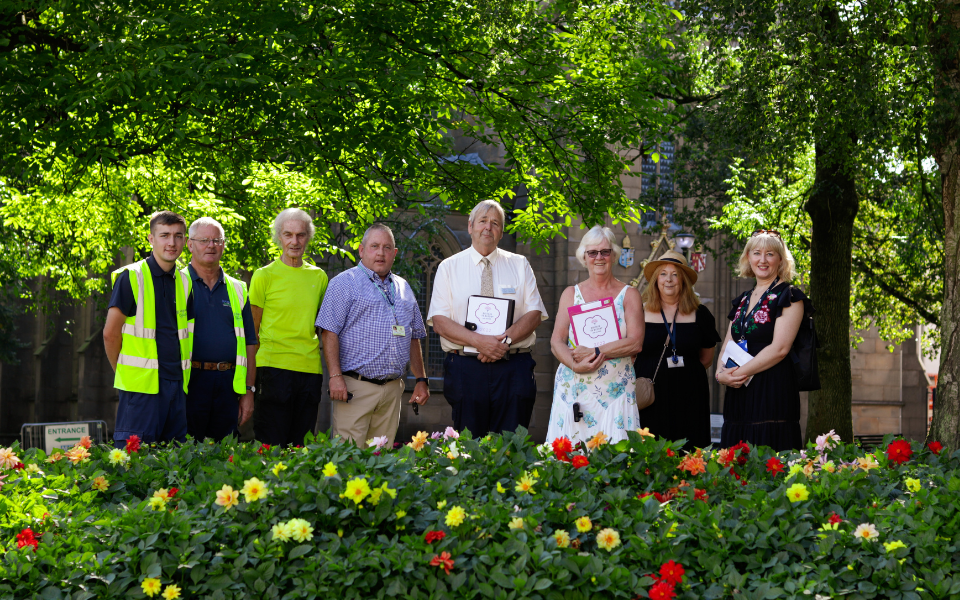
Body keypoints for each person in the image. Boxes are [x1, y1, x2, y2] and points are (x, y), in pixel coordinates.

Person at [427, 200, 548, 436]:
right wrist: (479, 342)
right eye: (482, 221)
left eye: (495, 223)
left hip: (513, 368)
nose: (488, 228)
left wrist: (502, 343)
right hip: (466, 370)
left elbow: (534, 314)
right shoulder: (448, 267)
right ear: (470, 226)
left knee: (512, 448)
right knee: (468, 448)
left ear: (502, 231)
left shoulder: (520, 265)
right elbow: (440, 321)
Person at [316, 224, 430, 447]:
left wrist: (421, 380)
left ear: (394, 254)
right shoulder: (343, 283)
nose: (380, 253)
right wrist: (335, 376)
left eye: (387, 248)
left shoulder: (404, 288)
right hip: (355, 389)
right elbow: (329, 332)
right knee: (348, 459)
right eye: (374, 246)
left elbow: (413, 337)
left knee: (382, 461)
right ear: (361, 250)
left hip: (391, 390)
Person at [103, 211, 195, 448]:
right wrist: (123, 371)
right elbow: (110, 334)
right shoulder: (131, 277)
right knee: (135, 465)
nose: (171, 242)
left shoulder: (185, 282)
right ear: (151, 239)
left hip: (177, 386)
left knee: (174, 465)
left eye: (178, 236)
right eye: (164, 235)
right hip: (141, 390)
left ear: (185, 240)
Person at [546, 225, 644, 445]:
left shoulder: (629, 295)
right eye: (593, 252)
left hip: (616, 391)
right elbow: (556, 341)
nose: (599, 257)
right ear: (584, 256)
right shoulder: (571, 294)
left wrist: (596, 350)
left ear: (613, 255)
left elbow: (636, 343)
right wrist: (573, 363)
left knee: (618, 459)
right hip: (574, 389)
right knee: (570, 461)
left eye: (605, 252)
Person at [715, 230, 807, 451]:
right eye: (757, 253)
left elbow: (780, 349)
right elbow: (728, 344)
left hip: (772, 388)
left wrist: (735, 374)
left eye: (770, 254)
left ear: (780, 260)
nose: (762, 260)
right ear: (748, 258)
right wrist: (720, 375)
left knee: (768, 459)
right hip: (739, 391)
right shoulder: (742, 300)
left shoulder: (790, 296)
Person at [250, 208, 329, 446]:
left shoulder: (319, 277)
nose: (295, 241)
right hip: (272, 370)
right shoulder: (263, 276)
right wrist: (248, 384)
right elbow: (252, 333)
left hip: (309, 371)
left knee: (300, 447)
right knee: (270, 446)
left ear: (308, 237)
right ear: (278, 237)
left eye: (301, 235)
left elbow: (323, 330)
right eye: (288, 235)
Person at [634, 250, 720, 450]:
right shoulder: (640, 311)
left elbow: (706, 358)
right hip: (650, 395)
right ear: (656, 280)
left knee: (689, 452)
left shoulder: (701, 314)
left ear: (684, 281)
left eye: (675, 274)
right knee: (650, 452)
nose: (669, 280)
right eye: (663, 274)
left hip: (690, 396)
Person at [183, 217, 259, 441]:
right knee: (184, 455)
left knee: (225, 458)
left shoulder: (237, 288)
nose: (211, 245)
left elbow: (250, 343)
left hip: (228, 386)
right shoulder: (177, 282)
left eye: (217, 240)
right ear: (189, 244)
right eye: (204, 240)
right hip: (189, 385)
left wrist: (248, 391)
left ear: (224, 245)